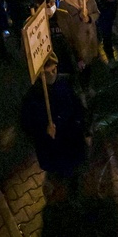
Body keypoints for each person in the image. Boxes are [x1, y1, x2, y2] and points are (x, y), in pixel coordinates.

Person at [21, 52, 90, 201]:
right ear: (40, 75)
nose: (54, 73)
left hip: (72, 141)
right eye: (49, 72)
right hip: (54, 149)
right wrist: (44, 130)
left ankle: (74, 194)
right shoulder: (32, 98)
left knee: (74, 174)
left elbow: (77, 106)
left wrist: (85, 128)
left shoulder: (64, 83)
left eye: (55, 69)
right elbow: (27, 127)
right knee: (61, 173)